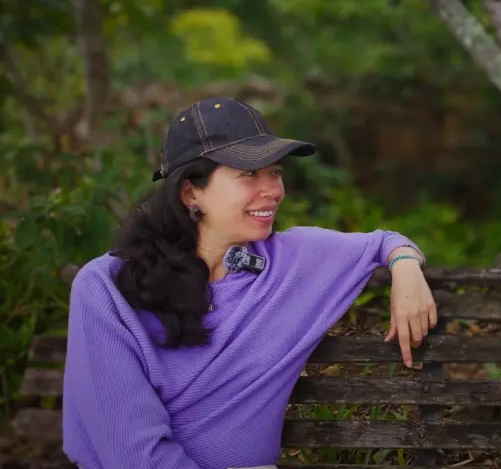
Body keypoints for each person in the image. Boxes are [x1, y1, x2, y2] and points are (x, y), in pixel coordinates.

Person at [61, 96, 437, 469]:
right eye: (248, 174)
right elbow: (133, 457)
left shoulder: (290, 261)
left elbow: (383, 241)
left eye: (275, 172)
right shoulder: (107, 288)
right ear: (191, 191)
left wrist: (405, 267)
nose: (272, 190)